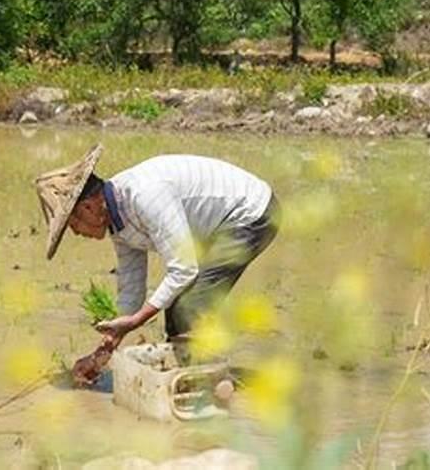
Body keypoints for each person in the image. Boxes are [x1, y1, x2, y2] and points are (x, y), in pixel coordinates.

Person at [35, 144, 281, 379]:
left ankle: (208, 387)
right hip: (213, 227)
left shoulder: (144, 195)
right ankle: (191, 379)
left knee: (190, 306)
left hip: (250, 212)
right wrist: (103, 352)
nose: (77, 233)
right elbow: (132, 290)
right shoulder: (117, 221)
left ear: (88, 208)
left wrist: (138, 319)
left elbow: (184, 270)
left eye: (73, 224)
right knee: (177, 309)